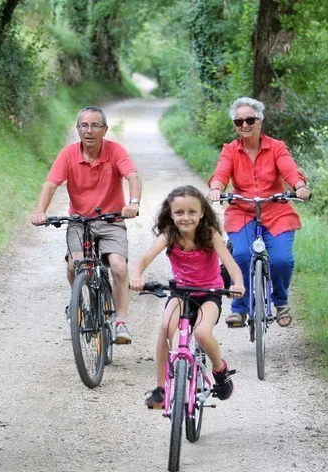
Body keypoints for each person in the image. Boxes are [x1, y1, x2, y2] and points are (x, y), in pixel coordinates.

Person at [31, 106, 142, 343]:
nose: (89, 130)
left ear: (104, 130)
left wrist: (133, 203)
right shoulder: (69, 154)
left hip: (111, 220)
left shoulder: (115, 151)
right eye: (84, 125)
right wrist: (40, 211)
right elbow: (51, 184)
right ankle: (79, 304)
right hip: (80, 222)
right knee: (75, 265)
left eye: (95, 125)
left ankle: (121, 322)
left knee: (118, 267)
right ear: (77, 129)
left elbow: (132, 176)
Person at [130, 185, 245, 409]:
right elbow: (144, 259)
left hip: (210, 294)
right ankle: (161, 389)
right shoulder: (168, 235)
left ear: (202, 213)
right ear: (171, 214)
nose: (186, 218)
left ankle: (220, 370)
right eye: (179, 212)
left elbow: (231, 265)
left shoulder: (210, 234)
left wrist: (238, 284)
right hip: (181, 292)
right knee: (166, 327)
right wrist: (136, 276)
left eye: (192, 212)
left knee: (202, 333)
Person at [207, 97, 311, 328]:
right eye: (239, 121)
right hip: (242, 212)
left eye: (250, 120)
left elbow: (289, 169)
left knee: (282, 259)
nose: (244, 125)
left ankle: (281, 302)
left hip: (277, 212)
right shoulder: (230, 150)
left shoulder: (276, 147)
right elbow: (221, 174)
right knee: (242, 255)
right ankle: (240, 308)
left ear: (260, 121)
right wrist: (216, 188)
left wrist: (299, 186)